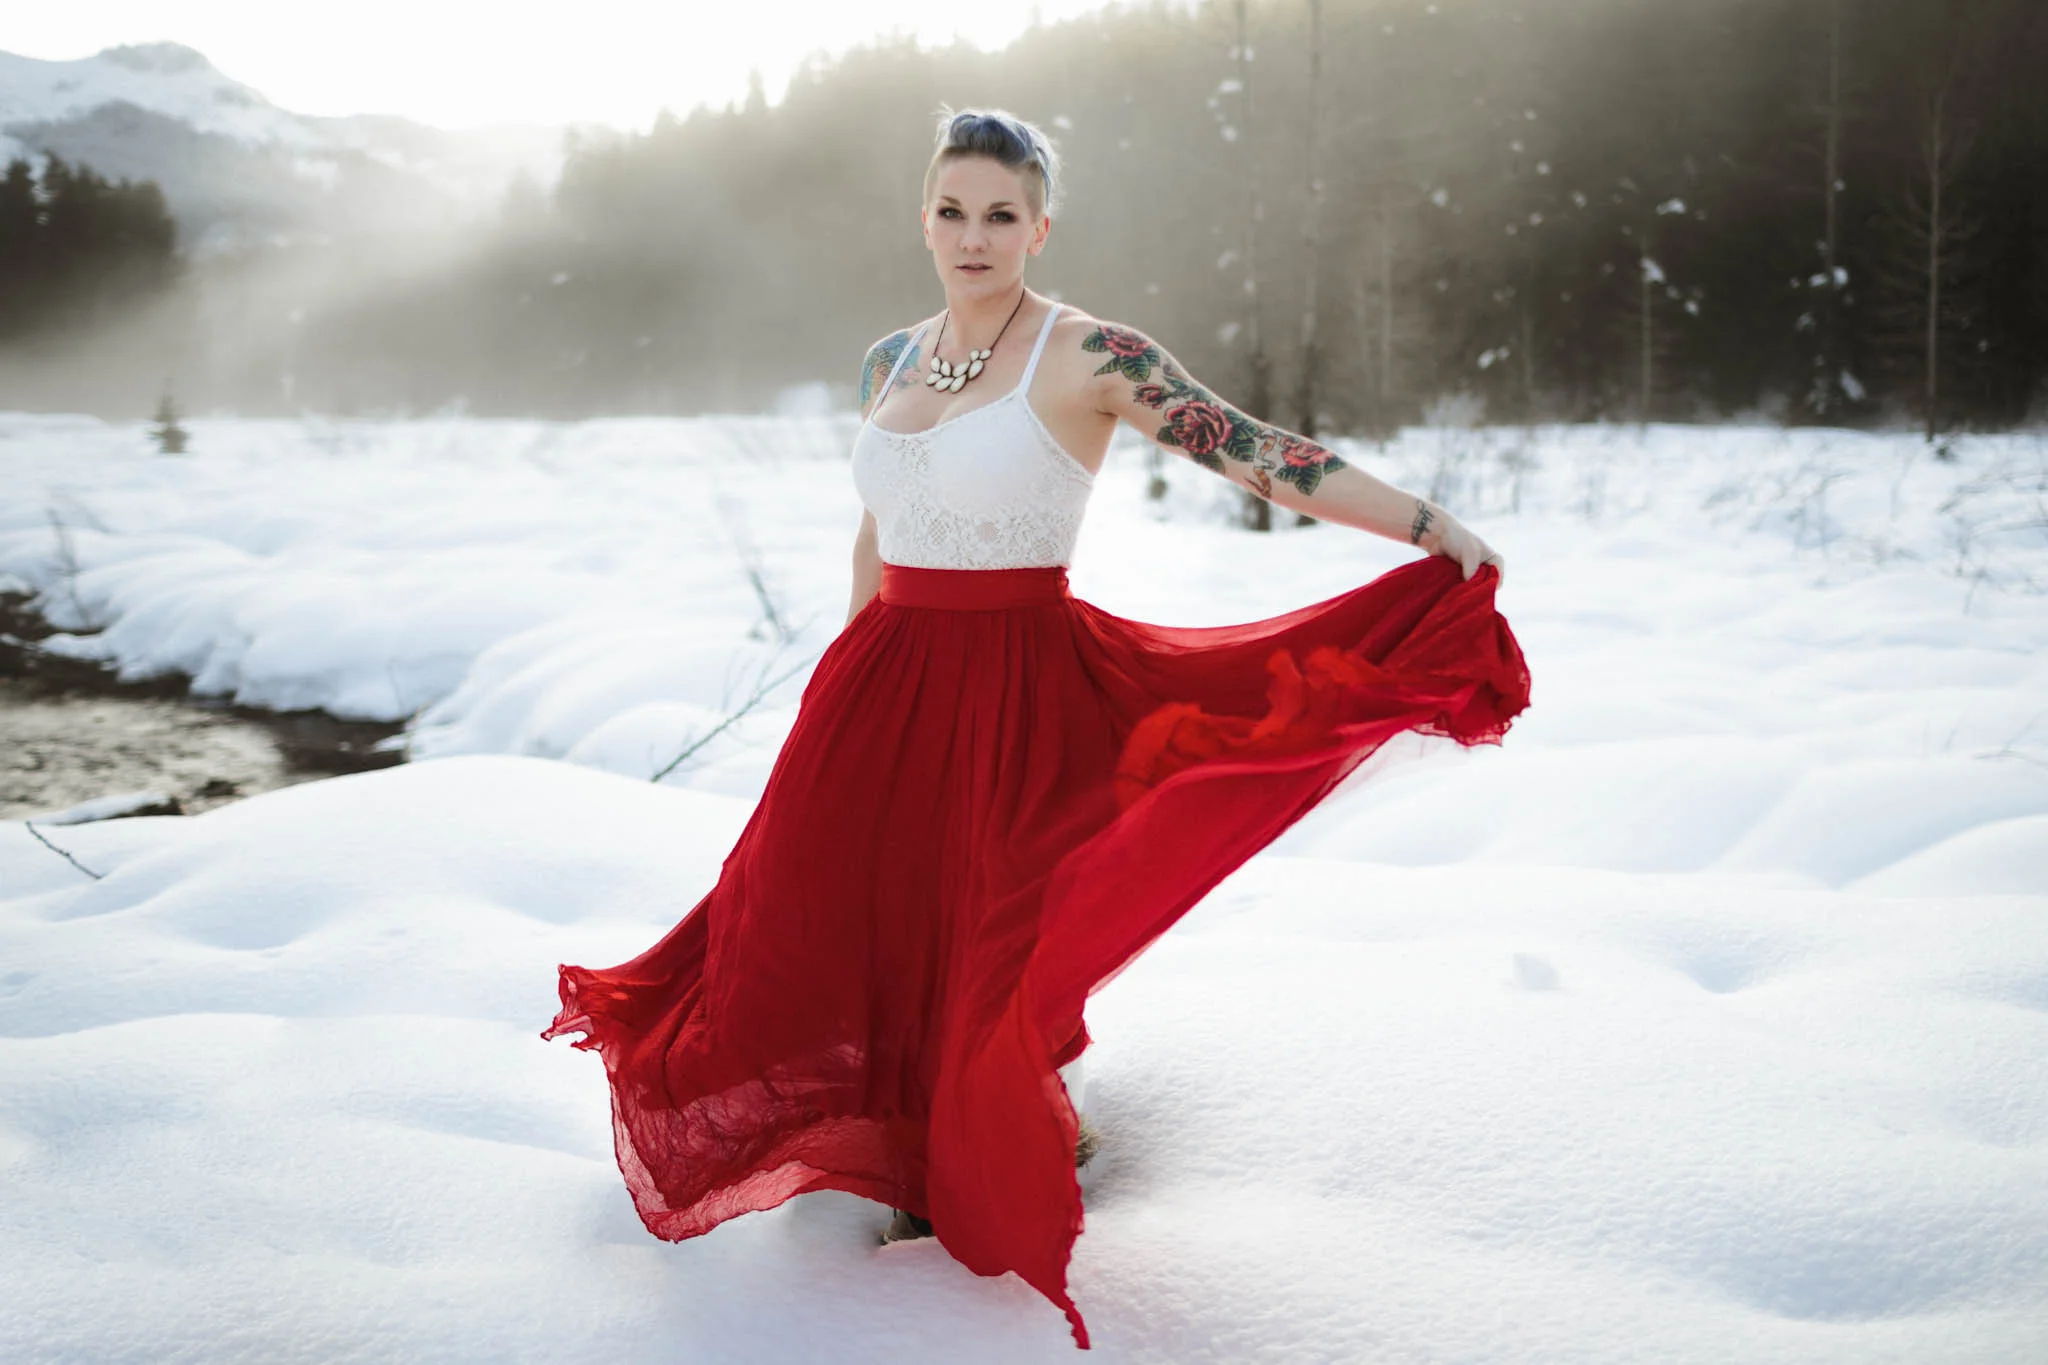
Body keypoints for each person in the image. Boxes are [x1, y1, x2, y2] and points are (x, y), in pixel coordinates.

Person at [543, 106, 1531, 1352]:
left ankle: (979, 1154)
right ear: (923, 217)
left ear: (1038, 226)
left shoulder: (1088, 355)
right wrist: (838, 677)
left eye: (1000, 214)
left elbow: (1257, 453)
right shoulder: (887, 360)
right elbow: (876, 525)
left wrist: (1426, 524)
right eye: (951, 210)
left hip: (1014, 687)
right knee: (841, 921)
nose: (973, 235)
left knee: (981, 929)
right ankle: (889, 1144)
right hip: (879, 686)